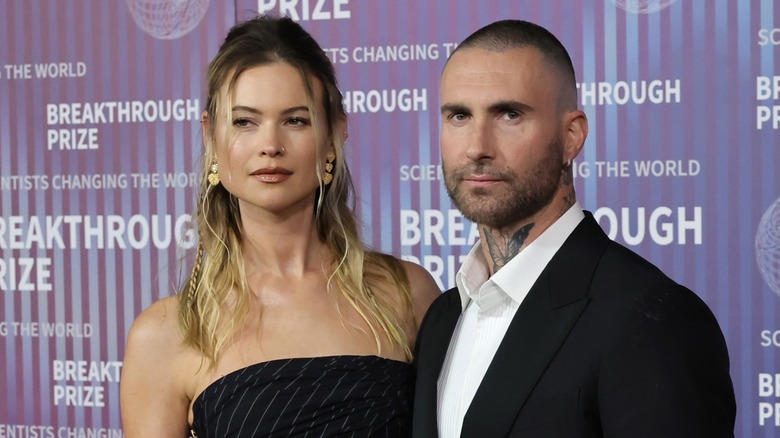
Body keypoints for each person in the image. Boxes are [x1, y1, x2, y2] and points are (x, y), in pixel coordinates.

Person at [412, 19, 736, 437]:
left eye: (509, 114)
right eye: (458, 115)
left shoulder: (652, 320)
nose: (477, 146)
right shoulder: (441, 320)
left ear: (572, 137)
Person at [120, 15, 440, 437]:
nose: (270, 145)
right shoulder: (166, 335)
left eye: (296, 120)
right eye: (244, 122)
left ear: (335, 133)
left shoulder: (407, 294)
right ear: (210, 135)